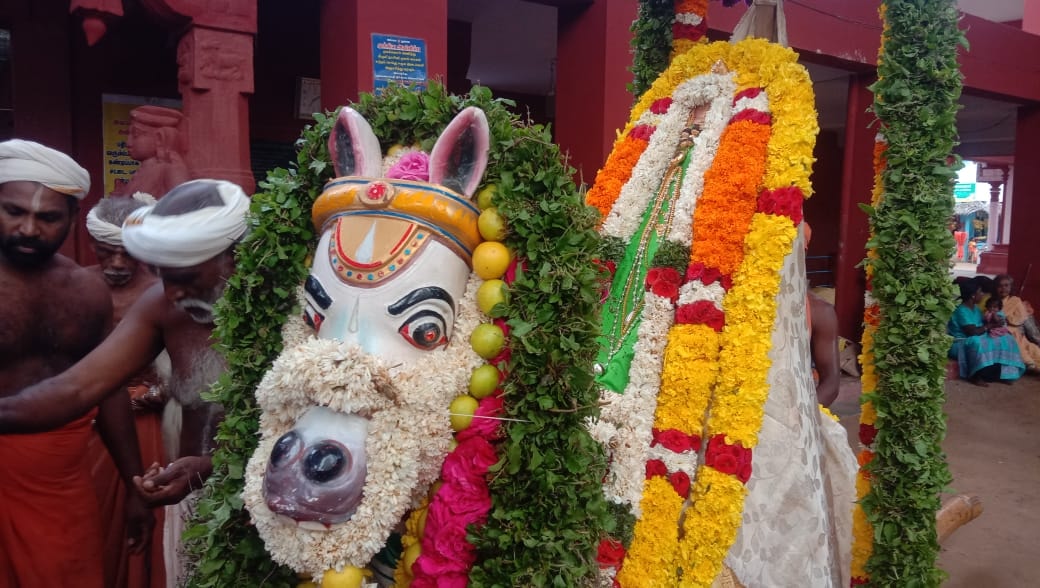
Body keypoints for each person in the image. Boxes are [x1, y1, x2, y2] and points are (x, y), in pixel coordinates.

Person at [0, 178, 249, 586]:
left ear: (236, 256)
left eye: (186, 277)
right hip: (198, 509)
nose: (172, 293)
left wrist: (212, 465)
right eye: (163, 277)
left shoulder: (299, 305)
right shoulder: (162, 307)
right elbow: (76, 388)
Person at [0, 139, 152, 586]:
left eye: (47, 218)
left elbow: (108, 388)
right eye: (13, 212)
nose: (29, 229)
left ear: (71, 219)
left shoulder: (86, 293)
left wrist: (135, 486)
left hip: (60, 484)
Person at [84, 193, 168, 587]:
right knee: (91, 528)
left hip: (150, 431)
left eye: (128, 253)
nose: (117, 264)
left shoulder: (165, 294)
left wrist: (156, 394)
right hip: (88, 431)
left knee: (151, 523)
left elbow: (194, 374)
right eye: (107, 251)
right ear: (92, 245)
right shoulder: (75, 288)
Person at [947, 278, 1025, 386]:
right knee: (978, 342)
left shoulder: (975, 308)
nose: (983, 295)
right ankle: (976, 375)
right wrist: (991, 326)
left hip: (976, 336)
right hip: (960, 342)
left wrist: (996, 321)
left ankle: (1004, 374)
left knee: (1006, 338)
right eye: (980, 292)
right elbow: (972, 332)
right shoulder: (961, 310)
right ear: (973, 295)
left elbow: (982, 325)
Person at [115, 106, 191, 199]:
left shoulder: (171, 166)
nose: (128, 143)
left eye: (135, 135)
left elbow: (183, 201)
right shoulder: (145, 169)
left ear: (159, 139)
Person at [992, 274, 1040, 371]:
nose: (1003, 288)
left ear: (1011, 287)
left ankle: (1031, 364)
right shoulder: (992, 302)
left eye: (1006, 285)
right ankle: (1029, 364)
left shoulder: (1015, 301)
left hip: (1015, 331)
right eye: (1000, 286)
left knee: (1029, 348)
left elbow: (1020, 318)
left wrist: (1005, 318)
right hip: (998, 331)